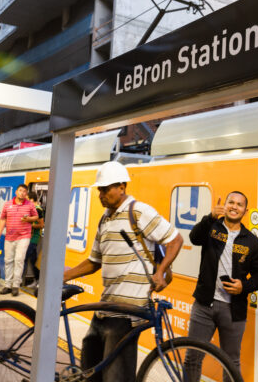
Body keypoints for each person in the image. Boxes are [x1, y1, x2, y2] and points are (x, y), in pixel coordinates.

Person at [63, 161, 184, 382]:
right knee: (90, 371)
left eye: (106, 188)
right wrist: (63, 276)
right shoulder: (105, 219)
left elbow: (175, 239)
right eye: (100, 189)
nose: (101, 194)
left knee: (116, 377)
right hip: (105, 308)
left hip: (128, 312)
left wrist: (161, 272)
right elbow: (94, 261)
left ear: (122, 187)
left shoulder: (138, 212)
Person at [184, 192, 258, 380]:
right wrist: (210, 216)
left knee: (231, 361)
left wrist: (243, 286)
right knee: (192, 358)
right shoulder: (211, 228)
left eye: (239, 204)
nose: (234, 207)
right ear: (225, 205)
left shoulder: (252, 242)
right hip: (204, 306)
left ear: (245, 211)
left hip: (234, 309)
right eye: (231, 202)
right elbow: (194, 238)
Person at [0, 184, 40, 296]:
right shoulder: (8, 204)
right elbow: (3, 219)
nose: (22, 193)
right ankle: (7, 285)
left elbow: (36, 217)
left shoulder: (30, 205)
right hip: (9, 236)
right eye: (20, 191)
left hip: (24, 236)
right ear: (16, 192)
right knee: (8, 260)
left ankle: (16, 286)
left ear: (26, 193)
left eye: (24, 191)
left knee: (19, 260)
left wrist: (29, 219)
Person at [21, 191, 44, 289]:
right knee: (33, 260)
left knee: (24, 258)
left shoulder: (38, 209)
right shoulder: (30, 209)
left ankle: (20, 281)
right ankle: (38, 280)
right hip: (28, 237)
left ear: (31, 199)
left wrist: (29, 224)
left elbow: (41, 225)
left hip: (33, 238)